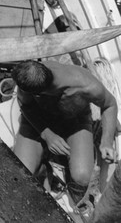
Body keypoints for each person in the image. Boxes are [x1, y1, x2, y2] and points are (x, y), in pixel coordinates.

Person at [11, 59, 118, 207]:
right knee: (21, 173)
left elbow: (110, 105)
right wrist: (47, 134)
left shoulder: (84, 84)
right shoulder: (29, 79)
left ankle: (57, 160)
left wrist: (106, 142)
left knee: (82, 177)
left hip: (74, 121)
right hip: (38, 122)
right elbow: (25, 106)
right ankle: (43, 169)